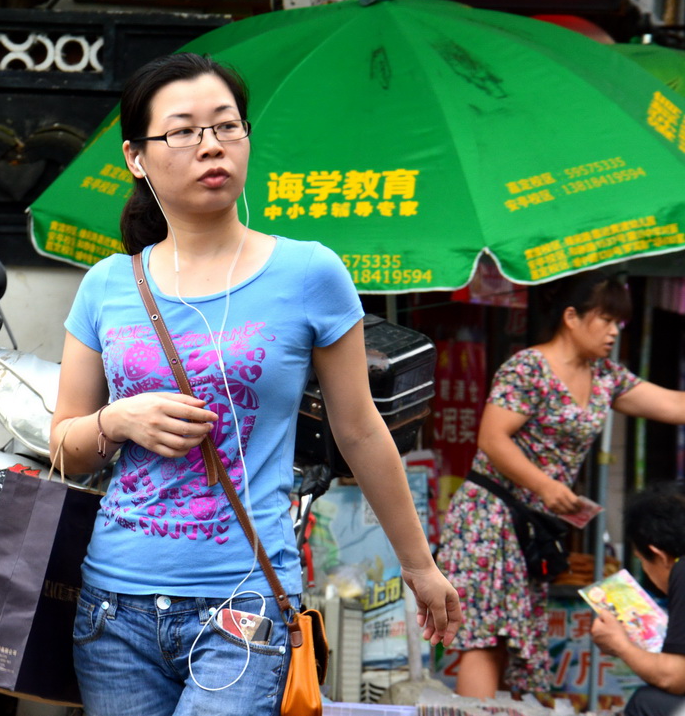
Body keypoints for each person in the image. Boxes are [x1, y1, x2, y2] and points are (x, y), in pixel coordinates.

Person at [49, 52, 461, 716]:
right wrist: (116, 421)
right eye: (183, 131)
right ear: (135, 156)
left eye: (226, 126)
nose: (210, 144)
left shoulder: (310, 273)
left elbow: (358, 429)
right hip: (113, 607)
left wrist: (420, 564)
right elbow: (64, 446)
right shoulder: (106, 285)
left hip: (243, 602)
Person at [437, 271, 685, 699]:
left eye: (618, 324)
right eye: (605, 320)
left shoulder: (606, 377)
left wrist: (547, 495)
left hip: (533, 527)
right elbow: (492, 438)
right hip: (489, 516)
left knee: (512, 639)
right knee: (485, 637)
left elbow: (671, 403)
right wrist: (546, 486)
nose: (613, 333)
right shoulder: (529, 367)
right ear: (571, 317)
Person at [590, 483, 685, 716]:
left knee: (647, 702)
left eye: (642, 559)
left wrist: (620, 645)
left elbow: (675, 677)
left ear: (660, 555)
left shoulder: (681, 570)